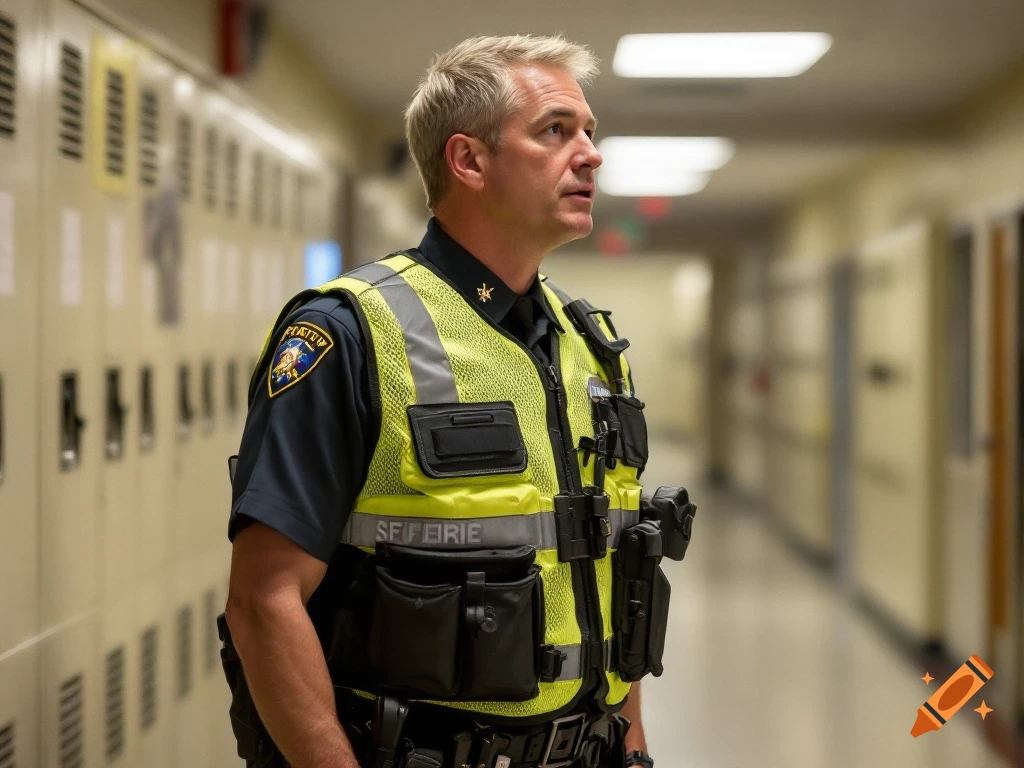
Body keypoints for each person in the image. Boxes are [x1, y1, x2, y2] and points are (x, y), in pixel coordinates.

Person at [222, 34, 695, 768]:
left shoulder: (588, 343)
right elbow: (263, 602)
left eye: (590, 133)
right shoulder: (348, 333)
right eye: (555, 130)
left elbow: (612, 565)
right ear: (468, 160)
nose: (591, 154)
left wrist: (633, 749)